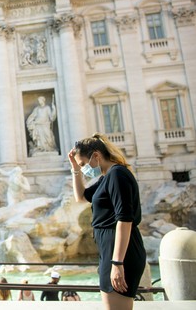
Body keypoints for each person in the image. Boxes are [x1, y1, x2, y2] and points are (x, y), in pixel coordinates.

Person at [69, 133, 146, 310]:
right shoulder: (106, 177)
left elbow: (124, 220)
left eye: (83, 164)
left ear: (96, 155)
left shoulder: (117, 175)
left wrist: (117, 264)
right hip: (111, 252)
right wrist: (75, 169)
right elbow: (80, 197)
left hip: (120, 254)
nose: (84, 169)